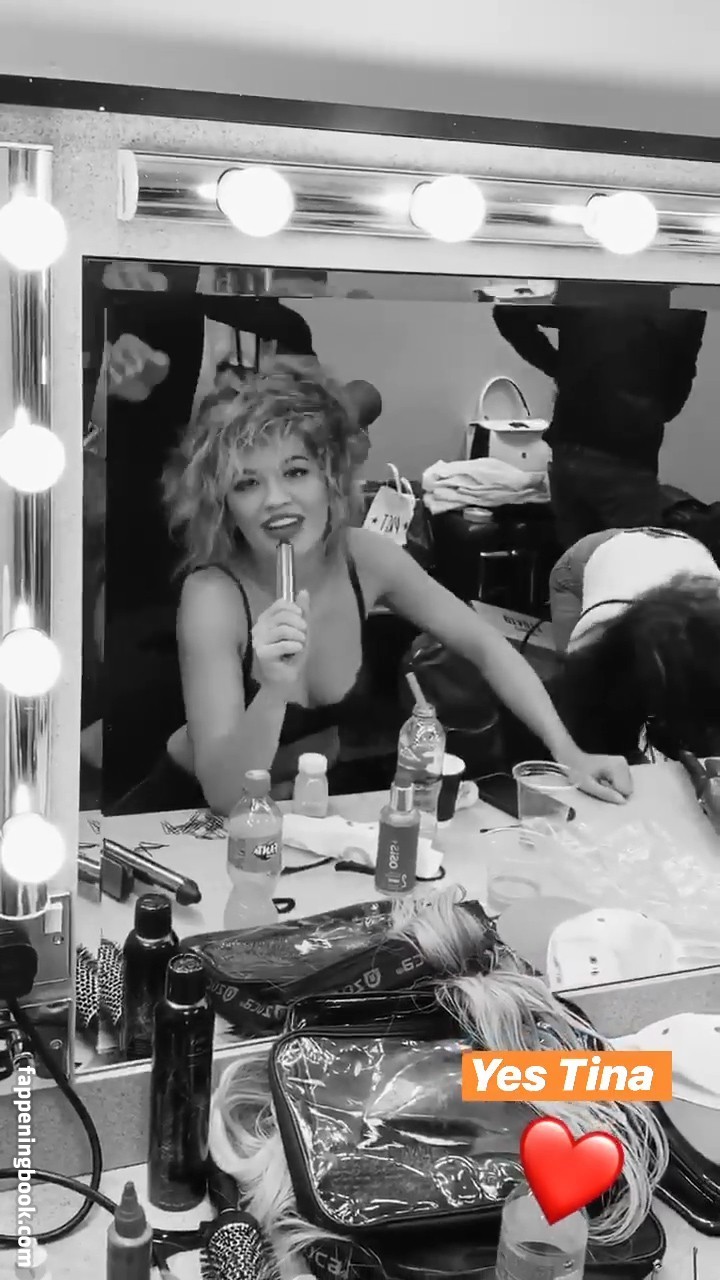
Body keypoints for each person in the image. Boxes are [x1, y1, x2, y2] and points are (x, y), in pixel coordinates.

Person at [127, 359, 630, 817]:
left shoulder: (365, 559)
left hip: (300, 808)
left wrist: (569, 752)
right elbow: (224, 795)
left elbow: (485, 645)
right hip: (189, 816)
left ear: (329, 475)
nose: (275, 500)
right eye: (246, 483)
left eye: (295, 471)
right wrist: (274, 689)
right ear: (223, 504)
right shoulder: (213, 596)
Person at [493, 302, 706, 548]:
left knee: (578, 561)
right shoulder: (683, 302)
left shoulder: (593, 287)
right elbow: (681, 375)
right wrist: (653, 412)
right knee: (633, 563)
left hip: (570, 446)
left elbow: (508, 312)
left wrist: (559, 368)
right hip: (628, 454)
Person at [545, 526, 720, 760]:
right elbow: (587, 733)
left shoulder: (708, 642)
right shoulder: (598, 643)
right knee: (587, 723)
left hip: (682, 548)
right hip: (585, 558)